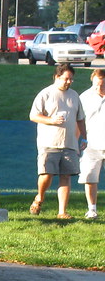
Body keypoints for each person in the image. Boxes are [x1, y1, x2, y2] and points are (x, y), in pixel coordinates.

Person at [29, 64, 86, 219]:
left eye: (71, 79)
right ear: (56, 77)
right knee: (47, 174)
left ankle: (62, 212)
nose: (68, 82)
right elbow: (34, 116)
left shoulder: (74, 96)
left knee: (66, 176)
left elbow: (80, 119)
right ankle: (40, 197)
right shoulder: (46, 94)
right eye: (66, 78)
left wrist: (84, 137)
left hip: (69, 144)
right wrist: (51, 120)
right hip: (49, 143)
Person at [78, 68, 105, 219]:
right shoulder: (85, 97)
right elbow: (79, 121)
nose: (99, 88)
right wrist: (78, 140)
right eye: (96, 85)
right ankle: (92, 209)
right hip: (91, 145)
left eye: (102, 85)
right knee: (89, 176)